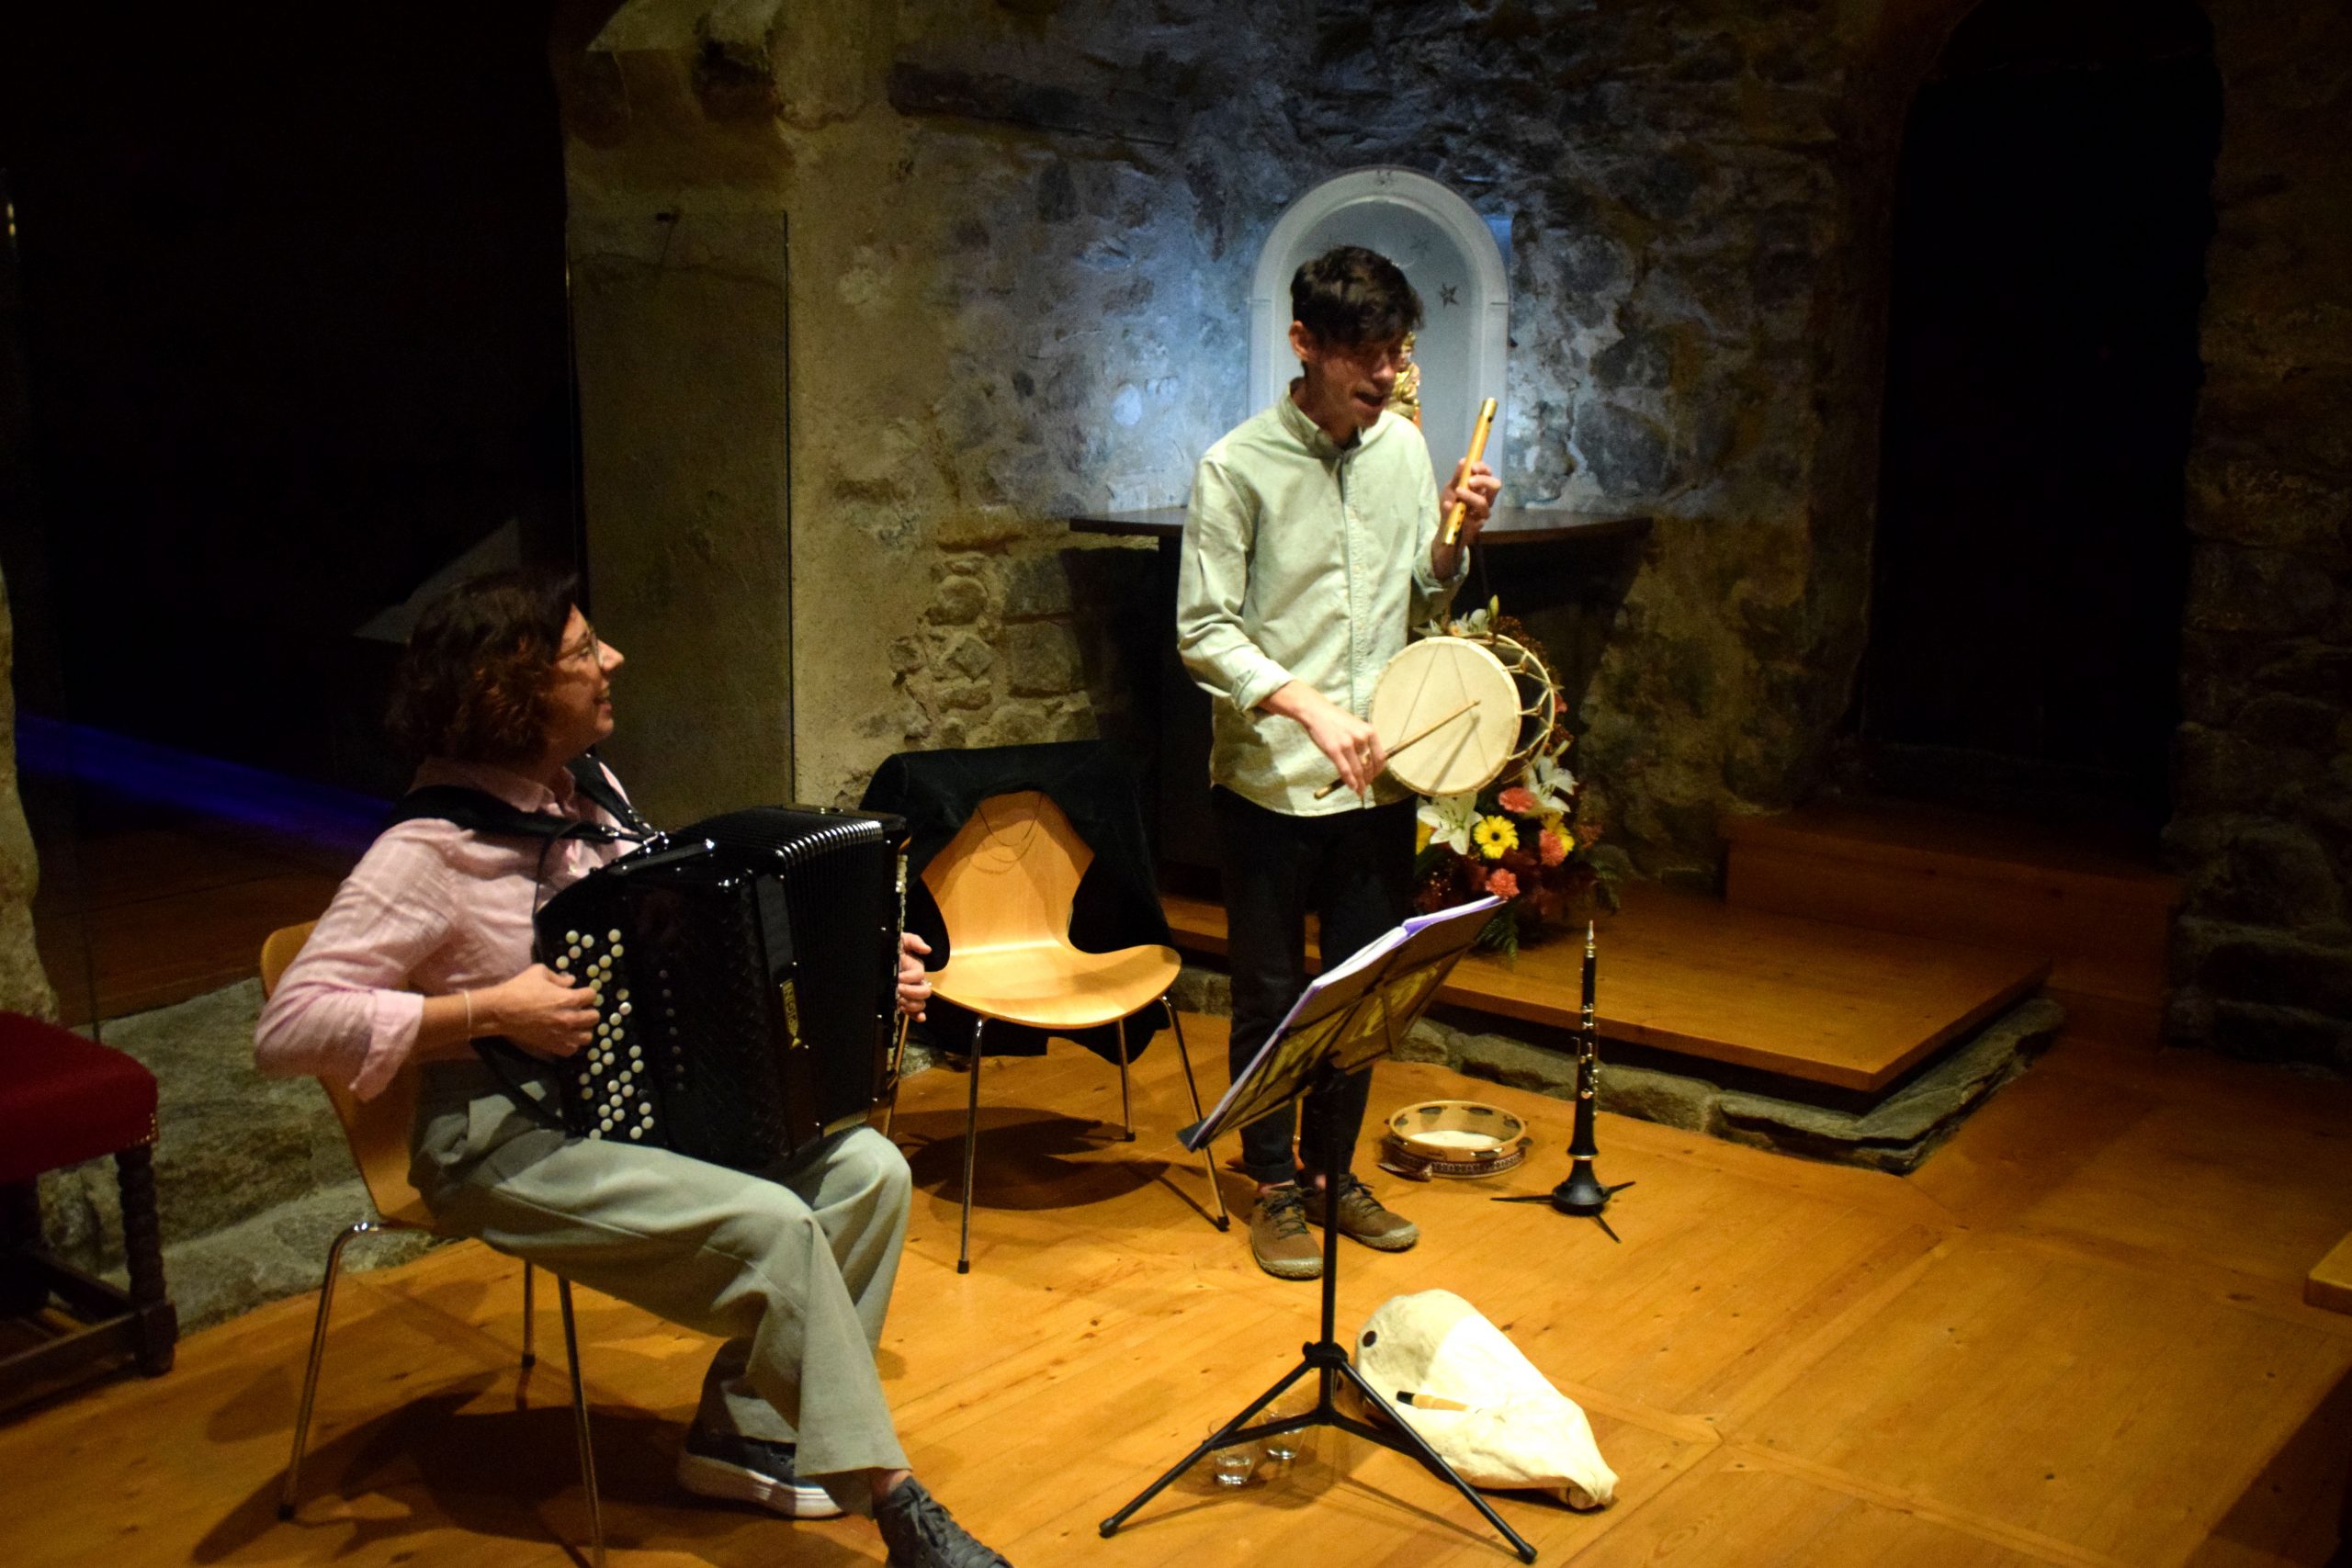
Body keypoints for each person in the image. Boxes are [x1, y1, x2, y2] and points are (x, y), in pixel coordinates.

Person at [255, 569, 1013, 1568]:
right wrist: (489, 1009)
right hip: (495, 1136)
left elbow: (684, 944)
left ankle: (745, 1429)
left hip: (617, 1112)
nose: (612, 662)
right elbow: (289, 1026)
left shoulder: (590, 799)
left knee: (870, 1175)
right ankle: (897, 1503)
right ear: (509, 691)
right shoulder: (427, 850)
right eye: (582, 653)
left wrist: (869, 975)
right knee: (779, 1228)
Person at [1176, 245, 1499, 1280]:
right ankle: (1272, 1178)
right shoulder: (1236, 466)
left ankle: (1331, 1169)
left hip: (1381, 772)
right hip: (1272, 778)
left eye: (1396, 353)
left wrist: (1454, 541)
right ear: (1303, 344)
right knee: (1271, 991)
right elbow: (1203, 631)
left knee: (1360, 988)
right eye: (1362, 354)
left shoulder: (1402, 450)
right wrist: (1302, 701)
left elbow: (1426, 596)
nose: (1383, 375)